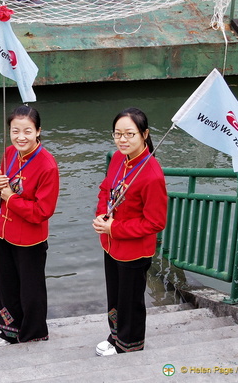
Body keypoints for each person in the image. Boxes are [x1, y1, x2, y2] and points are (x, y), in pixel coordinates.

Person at [92, 107, 167, 356]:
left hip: (134, 250)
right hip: (111, 243)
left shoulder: (152, 174)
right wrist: (102, 215)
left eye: (129, 134)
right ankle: (115, 336)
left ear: (144, 134)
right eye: (118, 134)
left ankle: (130, 344)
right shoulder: (117, 159)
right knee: (114, 294)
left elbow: (155, 223)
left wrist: (115, 227)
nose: (122, 140)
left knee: (131, 300)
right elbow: (106, 189)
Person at [0, 105, 59, 347]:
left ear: (38, 131)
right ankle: (9, 330)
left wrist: (10, 197)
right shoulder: (9, 152)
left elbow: (42, 211)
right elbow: (2, 184)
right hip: (3, 231)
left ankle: (33, 333)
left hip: (30, 238)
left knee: (31, 290)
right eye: (15, 130)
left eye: (27, 131)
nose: (21, 137)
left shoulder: (47, 165)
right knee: (6, 284)